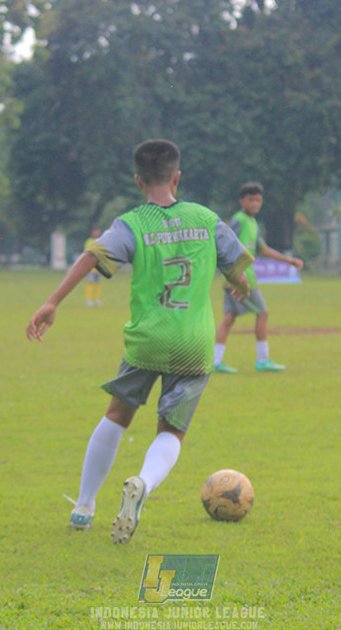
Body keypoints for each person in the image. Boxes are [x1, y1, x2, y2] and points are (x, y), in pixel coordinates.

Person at [27, 139, 253, 544]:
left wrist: (52, 302)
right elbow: (237, 268)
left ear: (138, 181)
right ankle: (143, 485)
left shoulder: (132, 223)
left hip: (147, 339)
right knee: (171, 429)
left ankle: (84, 506)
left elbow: (91, 256)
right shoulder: (205, 218)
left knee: (117, 414)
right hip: (193, 342)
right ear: (177, 177)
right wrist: (239, 283)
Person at [213, 182, 304, 373]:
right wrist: (230, 272)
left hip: (234, 278)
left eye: (258, 200)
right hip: (242, 278)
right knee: (263, 313)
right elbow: (225, 244)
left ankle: (215, 361)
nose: (255, 204)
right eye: (251, 199)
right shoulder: (239, 220)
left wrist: (288, 260)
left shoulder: (253, 223)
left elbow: (262, 249)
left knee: (229, 318)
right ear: (242, 201)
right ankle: (263, 360)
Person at [84, 227, 103, 306]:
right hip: (91, 267)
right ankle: (88, 299)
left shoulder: (101, 240)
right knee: (90, 282)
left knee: (97, 283)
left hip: (99, 266)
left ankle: (96, 299)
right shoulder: (89, 241)